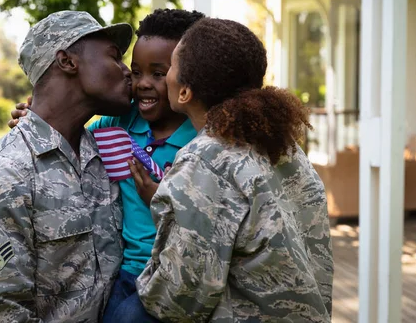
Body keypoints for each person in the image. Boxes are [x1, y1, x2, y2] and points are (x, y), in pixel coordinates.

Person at [9, 9, 205, 323]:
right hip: (126, 274)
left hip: (177, 276)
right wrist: (34, 117)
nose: (140, 83)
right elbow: (66, 129)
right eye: (136, 70)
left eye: (158, 73)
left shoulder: (204, 140)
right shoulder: (120, 124)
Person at [133, 17, 334, 322]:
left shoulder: (206, 161)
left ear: (185, 92)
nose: (167, 76)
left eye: (171, 67)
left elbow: (175, 302)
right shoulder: (282, 145)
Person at [0, 11, 134, 322]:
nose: (127, 71)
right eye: (114, 57)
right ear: (67, 62)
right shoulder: (3, 177)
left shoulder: (106, 156)